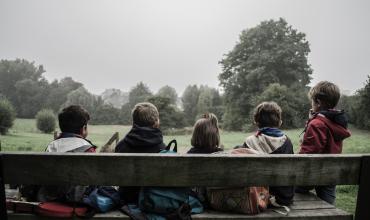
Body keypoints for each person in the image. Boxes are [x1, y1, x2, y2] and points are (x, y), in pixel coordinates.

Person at [296, 81, 351, 204]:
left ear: (318, 102)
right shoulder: (336, 121)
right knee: (328, 204)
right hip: (331, 172)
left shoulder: (317, 124)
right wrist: (312, 119)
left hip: (312, 173)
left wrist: (312, 122)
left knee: (289, 190)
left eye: (312, 101)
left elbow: (308, 153)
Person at [29, 105, 96, 202]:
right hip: (76, 200)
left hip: (49, 198)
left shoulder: (52, 146)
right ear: (83, 129)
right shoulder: (88, 148)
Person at [235, 101, 294, 206]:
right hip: (283, 198)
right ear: (279, 122)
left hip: (257, 197)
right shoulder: (287, 141)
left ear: (256, 122)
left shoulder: (250, 141)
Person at [115, 102, 166, 204]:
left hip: (126, 199)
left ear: (134, 122)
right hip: (152, 200)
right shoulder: (163, 149)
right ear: (156, 122)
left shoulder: (121, 146)